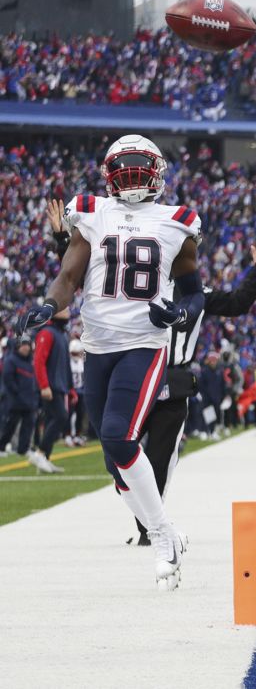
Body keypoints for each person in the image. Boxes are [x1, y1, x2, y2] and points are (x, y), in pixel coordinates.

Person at [19, 133, 204, 590]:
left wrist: (180, 313)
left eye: (142, 167)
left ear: (157, 172)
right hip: (98, 344)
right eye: (127, 167)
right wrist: (49, 303)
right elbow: (69, 273)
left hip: (144, 343)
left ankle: (162, 536)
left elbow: (195, 291)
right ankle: (168, 530)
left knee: (121, 437)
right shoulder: (92, 211)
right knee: (111, 455)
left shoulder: (177, 220)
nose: (134, 176)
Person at [127, 235, 256, 546]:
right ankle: (145, 520)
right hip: (135, 374)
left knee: (160, 457)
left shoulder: (196, 292)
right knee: (117, 450)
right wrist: (65, 243)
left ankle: (148, 528)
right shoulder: (132, 285)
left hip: (173, 377)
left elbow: (237, 303)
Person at [31, 305, 73, 471]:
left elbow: (64, 365)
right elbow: (39, 361)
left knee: (51, 420)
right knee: (61, 417)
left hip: (58, 385)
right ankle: (40, 454)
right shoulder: (47, 333)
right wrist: (44, 385)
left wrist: (70, 388)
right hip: (50, 386)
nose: (68, 312)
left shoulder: (60, 335)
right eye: (65, 309)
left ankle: (45, 459)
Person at [0, 338, 40, 464]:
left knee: (28, 426)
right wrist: (17, 393)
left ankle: (22, 449)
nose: (26, 348)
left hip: (29, 399)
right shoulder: (11, 360)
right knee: (9, 425)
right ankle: (1, 447)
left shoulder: (30, 361)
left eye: (27, 345)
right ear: (17, 347)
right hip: (15, 400)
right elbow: (8, 379)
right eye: (23, 345)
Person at [66, 339, 87, 447]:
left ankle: (77, 434)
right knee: (69, 414)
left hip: (81, 391)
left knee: (80, 413)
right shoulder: (67, 362)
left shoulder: (82, 361)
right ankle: (69, 435)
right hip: (71, 391)